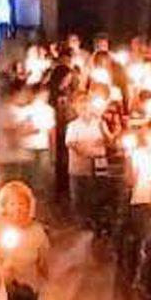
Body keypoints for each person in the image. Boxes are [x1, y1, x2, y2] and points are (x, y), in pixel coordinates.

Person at [64, 95, 109, 231]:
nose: (84, 110)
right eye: (81, 108)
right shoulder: (73, 126)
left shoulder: (99, 123)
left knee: (94, 197)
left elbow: (108, 141)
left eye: (86, 107)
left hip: (97, 169)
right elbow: (72, 144)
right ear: (77, 109)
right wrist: (89, 152)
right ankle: (80, 226)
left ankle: (95, 224)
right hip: (79, 169)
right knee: (79, 198)